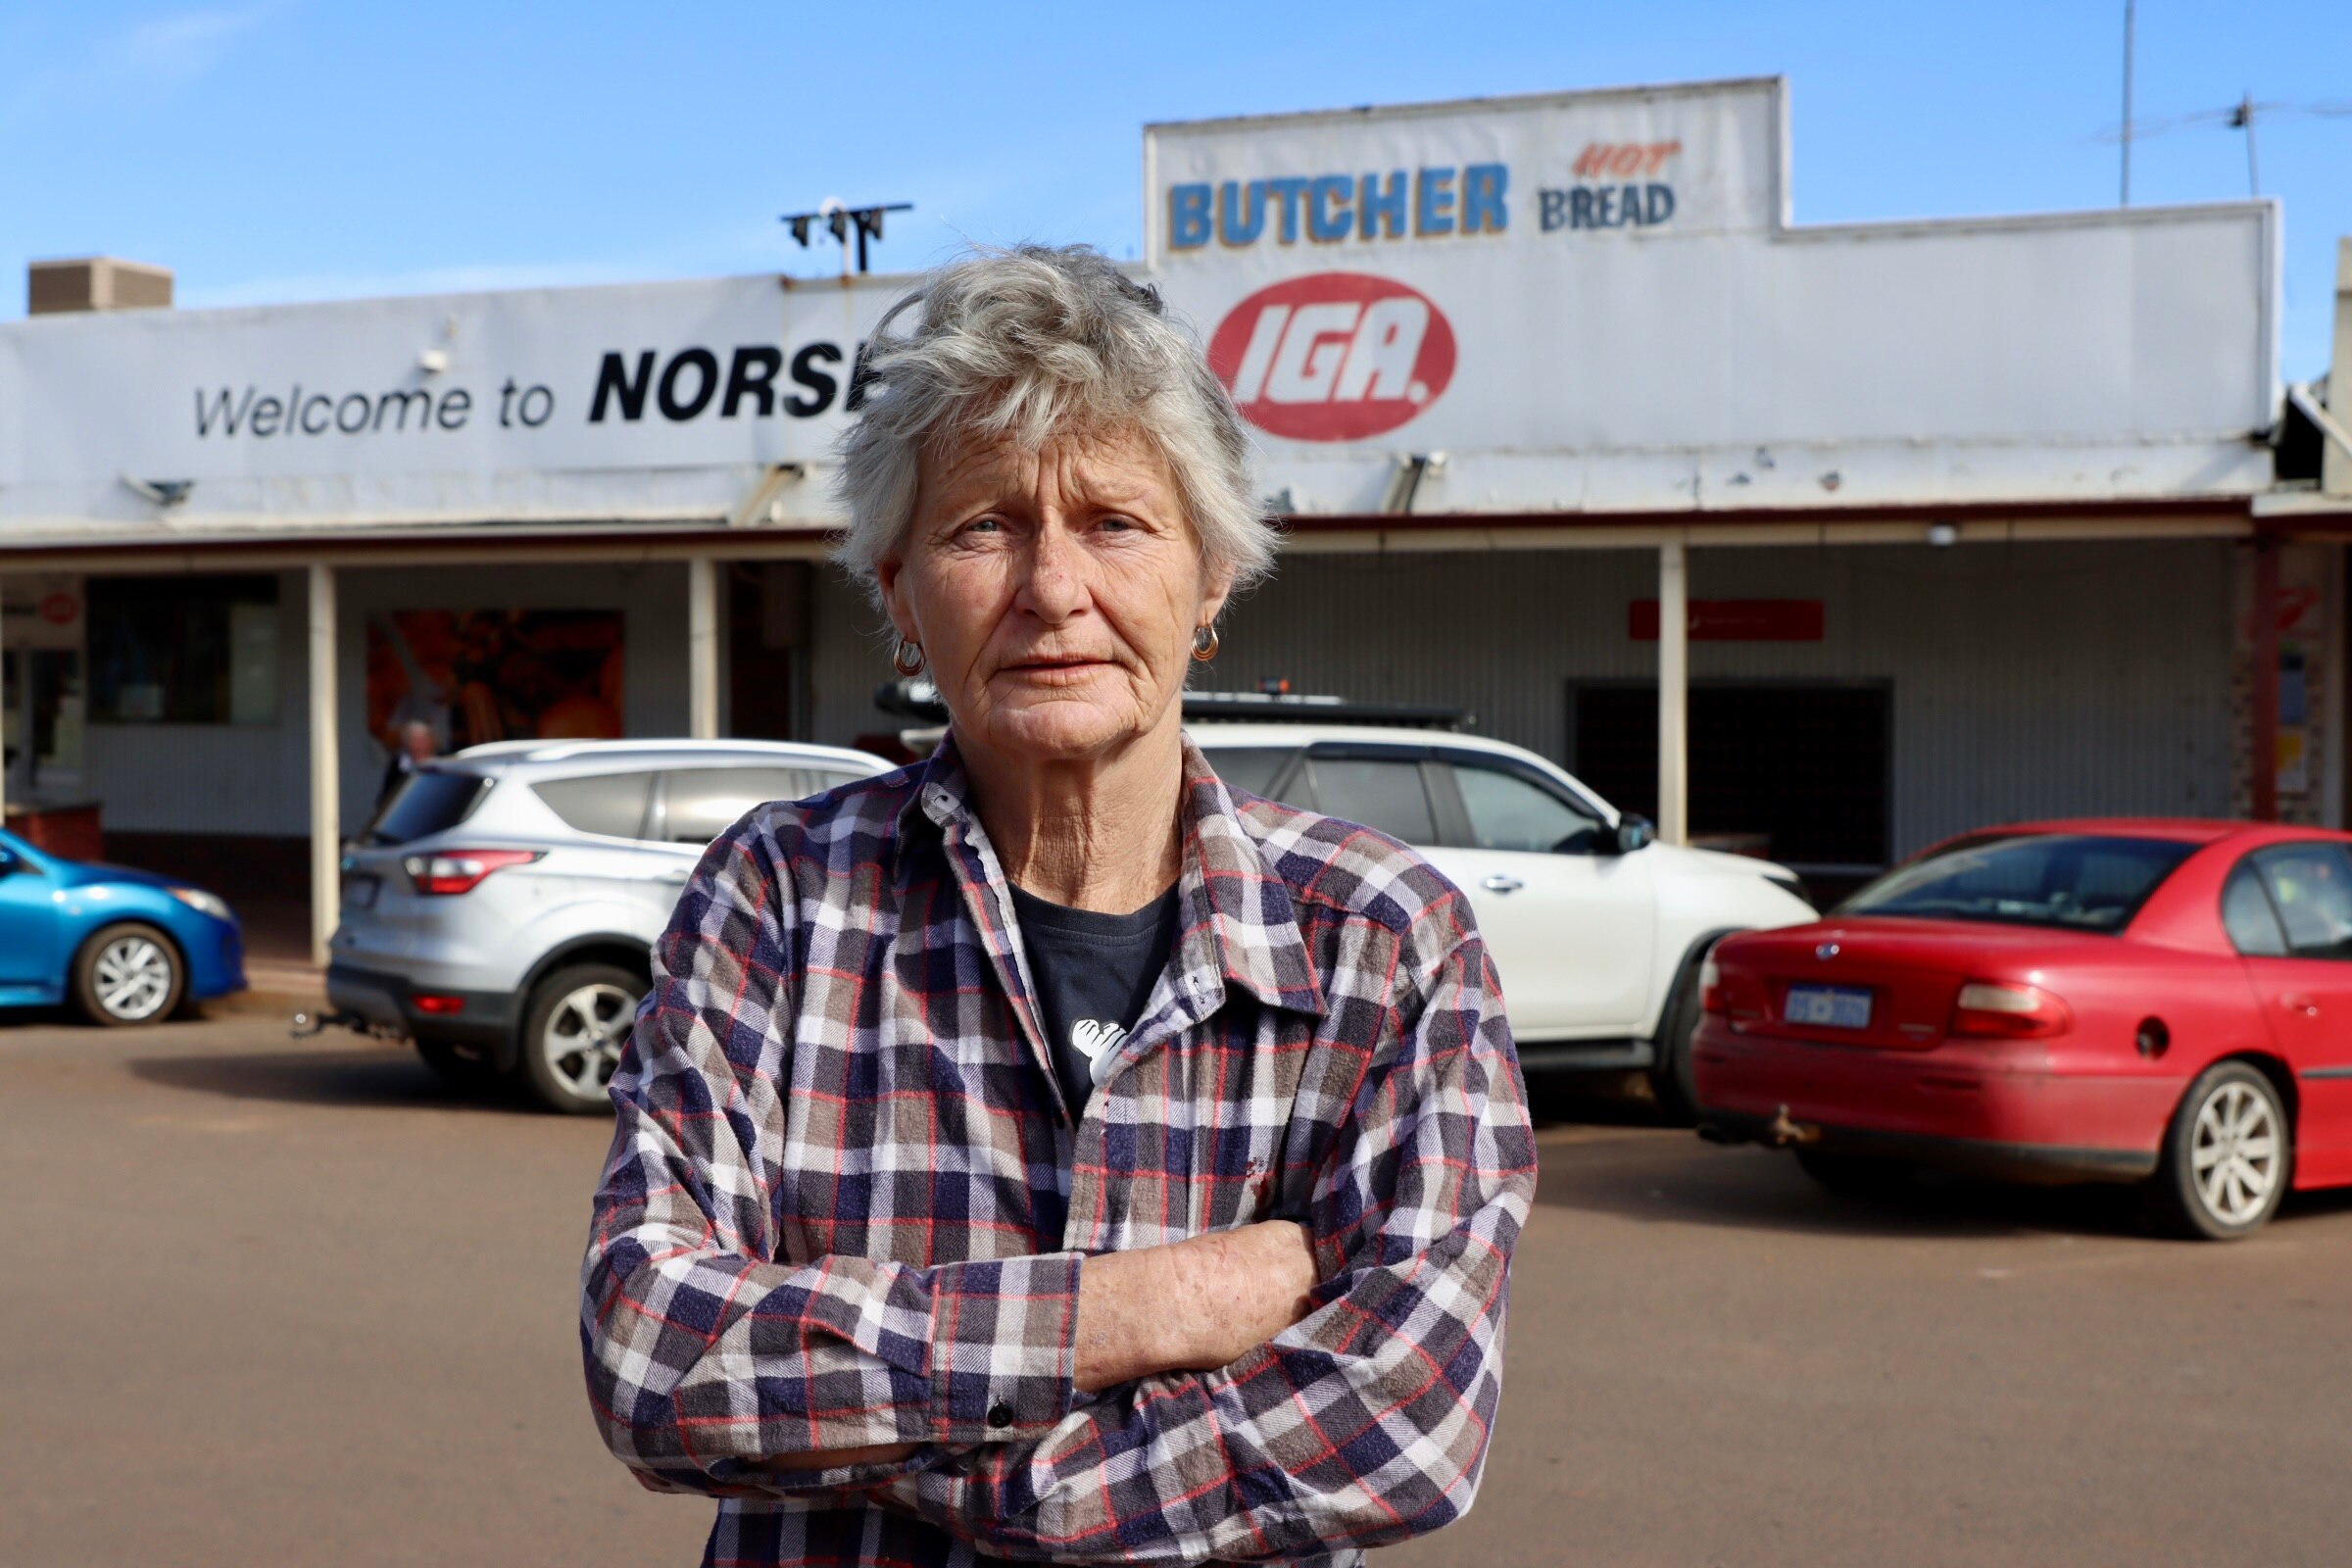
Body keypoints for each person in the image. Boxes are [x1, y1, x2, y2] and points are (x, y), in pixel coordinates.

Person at [579, 245, 1536, 1568]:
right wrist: (1137, 1311)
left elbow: (1405, 1419)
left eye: (1115, 522)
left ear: (1209, 583)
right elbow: (653, 1353)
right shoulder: (780, 899)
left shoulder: (1383, 938)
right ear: (897, 593)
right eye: (984, 525)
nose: (1052, 589)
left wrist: (948, 1464)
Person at [375, 719, 438, 810]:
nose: (417, 746)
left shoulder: (441, 763)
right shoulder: (398, 766)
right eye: (413, 741)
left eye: (421, 741)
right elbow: (386, 797)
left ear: (431, 742)